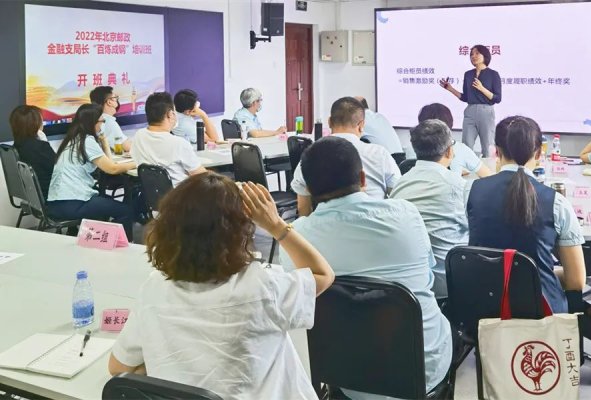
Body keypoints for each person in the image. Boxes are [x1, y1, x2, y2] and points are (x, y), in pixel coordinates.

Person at [108, 172, 334, 400]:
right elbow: (322, 274)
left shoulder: (154, 288)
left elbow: (118, 367)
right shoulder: (263, 286)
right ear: (241, 232)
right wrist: (276, 225)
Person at [281, 136, 452, 396]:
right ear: (362, 179)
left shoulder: (296, 239)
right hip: (421, 371)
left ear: (309, 189)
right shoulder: (406, 214)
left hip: (344, 374)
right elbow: (426, 276)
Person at [467, 116, 585, 313]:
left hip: (486, 310)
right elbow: (576, 281)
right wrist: (533, 274)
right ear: (538, 153)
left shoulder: (471, 192)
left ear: (497, 152)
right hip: (543, 315)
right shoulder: (557, 203)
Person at [391, 119, 470, 298]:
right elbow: (473, 227)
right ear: (449, 151)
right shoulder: (457, 186)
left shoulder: (400, 185)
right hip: (450, 282)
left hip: (412, 285)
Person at [291, 97, 401, 216]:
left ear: (329, 122)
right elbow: (398, 195)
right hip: (375, 223)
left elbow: (303, 208)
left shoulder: (313, 154)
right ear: (361, 125)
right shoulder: (379, 153)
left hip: (327, 225)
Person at [47, 103, 136, 239]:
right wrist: (137, 163)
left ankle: (101, 240)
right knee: (125, 210)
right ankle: (124, 245)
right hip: (74, 203)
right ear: (93, 122)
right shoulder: (87, 141)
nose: (102, 125)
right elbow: (112, 169)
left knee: (105, 202)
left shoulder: (73, 138)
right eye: (102, 121)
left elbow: (109, 164)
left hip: (58, 202)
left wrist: (104, 142)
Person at [131, 92, 207, 186]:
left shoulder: (139, 136)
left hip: (153, 193)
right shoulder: (179, 144)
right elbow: (202, 176)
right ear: (170, 114)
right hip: (180, 193)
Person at [440, 45, 501, 157]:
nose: (473, 56)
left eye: (477, 53)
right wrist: (450, 89)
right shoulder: (468, 74)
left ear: (485, 55)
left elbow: (497, 98)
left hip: (486, 111)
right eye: (471, 54)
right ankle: (466, 167)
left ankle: (489, 167)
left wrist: (482, 88)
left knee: (488, 146)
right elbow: (466, 97)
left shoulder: (493, 74)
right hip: (470, 111)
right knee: (466, 145)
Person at [417, 103, 492, 177]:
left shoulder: (415, 147)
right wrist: (456, 172)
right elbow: (487, 175)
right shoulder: (460, 149)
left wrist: (456, 170)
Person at [9, 105, 55, 200]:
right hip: (50, 195)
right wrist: (44, 141)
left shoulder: (17, 146)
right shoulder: (40, 147)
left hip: (33, 198)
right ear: (34, 124)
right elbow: (58, 169)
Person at [89, 86, 131, 152]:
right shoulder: (109, 122)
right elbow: (127, 147)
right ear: (109, 102)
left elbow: (117, 147)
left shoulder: (96, 120)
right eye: (115, 98)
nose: (117, 100)